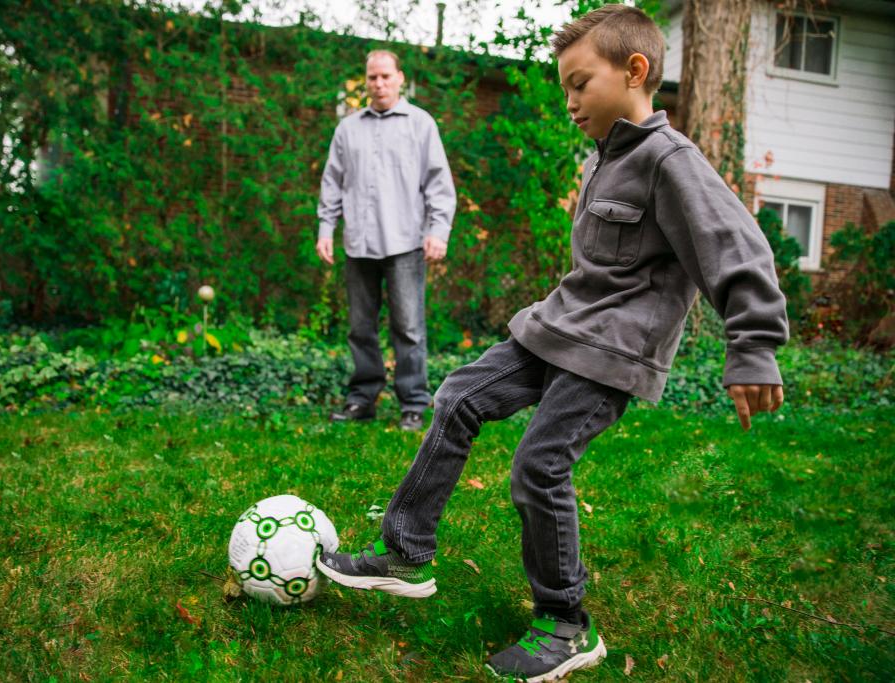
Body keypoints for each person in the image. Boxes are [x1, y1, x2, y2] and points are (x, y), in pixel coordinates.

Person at [316, 5, 788, 681]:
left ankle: (565, 621)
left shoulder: (668, 160)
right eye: (564, 87)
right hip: (559, 326)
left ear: (635, 71)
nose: (568, 101)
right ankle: (406, 550)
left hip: (612, 349)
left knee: (538, 464)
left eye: (579, 83)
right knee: (458, 396)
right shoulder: (603, 158)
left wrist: (753, 347)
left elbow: (734, 249)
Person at [316, 49, 456, 432]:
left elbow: (439, 185)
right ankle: (362, 399)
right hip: (358, 244)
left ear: (400, 79)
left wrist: (437, 231)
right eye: (372, 78)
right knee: (360, 327)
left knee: (408, 328)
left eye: (385, 77)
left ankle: (413, 403)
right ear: (366, 82)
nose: (378, 84)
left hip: (405, 243)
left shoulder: (421, 124)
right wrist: (326, 229)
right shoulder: (347, 128)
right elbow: (332, 182)